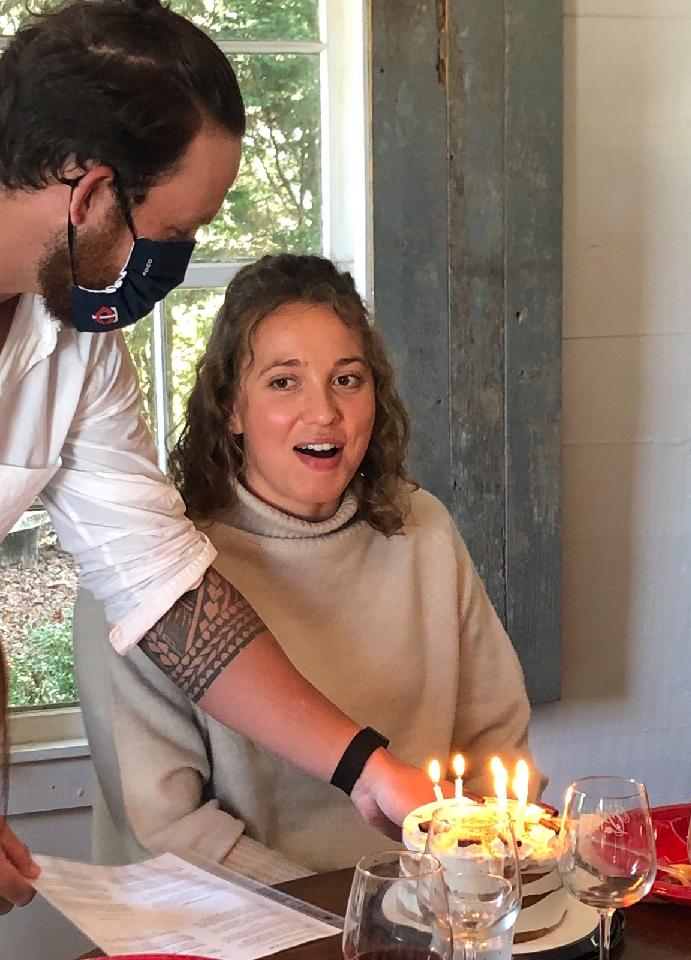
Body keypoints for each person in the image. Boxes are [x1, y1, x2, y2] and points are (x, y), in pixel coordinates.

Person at [0, 0, 436, 916]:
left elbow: (164, 588)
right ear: (89, 195)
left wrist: (363, 767)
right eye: (173, 234)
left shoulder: (80, 346)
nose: (175, 264)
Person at [74, 253, 544, 882]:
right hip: (248, 916)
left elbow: (494, 744)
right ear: (230, 408)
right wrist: (340, 915)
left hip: (430, 901)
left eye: (347, 379)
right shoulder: (142, 577)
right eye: (283, 382)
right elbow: (167, 832)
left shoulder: (424, 530)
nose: (324, 412)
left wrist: (467, 885)